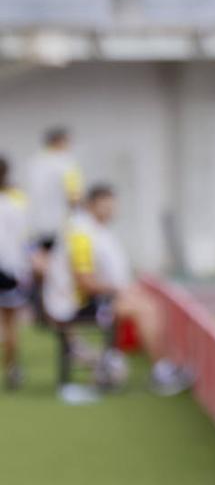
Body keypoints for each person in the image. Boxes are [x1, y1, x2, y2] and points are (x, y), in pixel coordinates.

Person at [42, 184, 192, 397]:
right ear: (91, 205)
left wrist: (122, 289)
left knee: (143, 302)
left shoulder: (94, 230)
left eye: (113, 206)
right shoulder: (81, 234)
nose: (111, 211)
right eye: (106, 206)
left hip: (84, 300)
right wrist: (119, 290)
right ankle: (161, 372)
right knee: (145, 308)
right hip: (72, 306)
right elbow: (85, 282)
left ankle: (118, 362)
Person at [25, 127, 83, 323]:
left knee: (41, 271)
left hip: (35, 227)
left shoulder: (33, 163)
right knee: (60, 275)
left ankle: (39, 311)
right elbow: (74, 197)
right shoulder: (66, 163)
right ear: (59, 142)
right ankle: (59, 315)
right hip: (59, 228)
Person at [0, 156, 31, 390]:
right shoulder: (14, 204)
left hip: (8, 268)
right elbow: (23, 241)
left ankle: (12, 369)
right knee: (10, 324)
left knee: (9, 324)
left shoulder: (14, 203)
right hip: (9, 269)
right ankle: (12, 369)